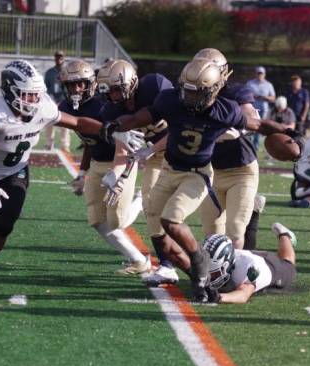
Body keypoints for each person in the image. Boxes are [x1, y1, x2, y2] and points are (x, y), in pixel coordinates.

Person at [103, 57, 289, 302]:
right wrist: (117, 124)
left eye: (197, 93)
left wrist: (289, 132)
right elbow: (141, 117)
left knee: (172, 220)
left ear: (213, 90)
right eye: (187, 91)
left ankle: (200, 261)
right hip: (169, 168)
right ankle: (200, 280)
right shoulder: (171, 100)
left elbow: (259, 124)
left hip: (197, 174)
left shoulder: (224, 109)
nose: (190, 98)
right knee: (160, 236)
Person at [0, 60, 119, 297]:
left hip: (16, 172)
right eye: (26, 95)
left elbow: (77, 122)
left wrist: (108, 130)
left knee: (3, 226)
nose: (32, 100)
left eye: (35, 94)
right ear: (10, 91)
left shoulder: (43, 107)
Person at [60, 59, 150, 275]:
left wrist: (117, 172)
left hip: (120, 162)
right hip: (97, 164)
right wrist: (82, 172)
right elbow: (89, 141)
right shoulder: (65, 107)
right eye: (71, 85)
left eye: (80, 83)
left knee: (116, 220)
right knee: (97, 220)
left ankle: (141, 201)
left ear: (91, 83)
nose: (76, 89)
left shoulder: (103, 106)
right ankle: (138, 260)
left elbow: (121, 141)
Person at [93, 60, 177, 282]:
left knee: (172, 209)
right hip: (154, 157)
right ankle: (167, 265)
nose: (112, 95)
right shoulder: (112, 108)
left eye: (115, 89)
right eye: (108, 90)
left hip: (180, 150)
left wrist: (152, 148)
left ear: (130, 82)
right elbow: (123, 146)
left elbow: (180, 126)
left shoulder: (155, 87)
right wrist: (116, 173)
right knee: (152, 206)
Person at [195, 48, 266, 253]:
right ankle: (218, 276)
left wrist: (237, 126)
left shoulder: (234, 92)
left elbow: (253, 119)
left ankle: (237, 278)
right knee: (212, 234)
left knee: (235, 233)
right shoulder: (189, 93)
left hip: (240, 170)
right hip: (210, 172)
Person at [202, 223, 297, 304]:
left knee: (288, 265)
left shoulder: (248, 268)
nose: (209, 276)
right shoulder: (220, 259)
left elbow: (243, 295)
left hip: (268, 266)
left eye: (213, 273)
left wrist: (219, 297)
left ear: (226, 264)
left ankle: (285, 235)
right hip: (248, 255)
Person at [43, 50, 70, 152]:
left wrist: (65, 99)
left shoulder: (67, 71)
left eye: (61, 57)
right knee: (50, 123)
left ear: (64, 58)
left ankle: (65, 145)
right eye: (57, 57)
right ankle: (49, 144)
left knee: (65, 124)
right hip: (51, 100)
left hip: (63, 100)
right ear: (55, 58)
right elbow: (45, 87)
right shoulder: (49, 72)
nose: (59, 59)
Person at [246, 66, 275, 149]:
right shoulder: (250, 83)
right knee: (250, 126)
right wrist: (253, 96)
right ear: (256, 74)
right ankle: (249, 142)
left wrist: (266, 97)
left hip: (264, 109)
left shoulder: (269, 85)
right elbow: (244, 94)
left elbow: (273, 98)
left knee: (260, 127)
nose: (260, 75)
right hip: (252, 109)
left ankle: (256, 144)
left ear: (264, 74)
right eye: (258, 73)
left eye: (261, 73)